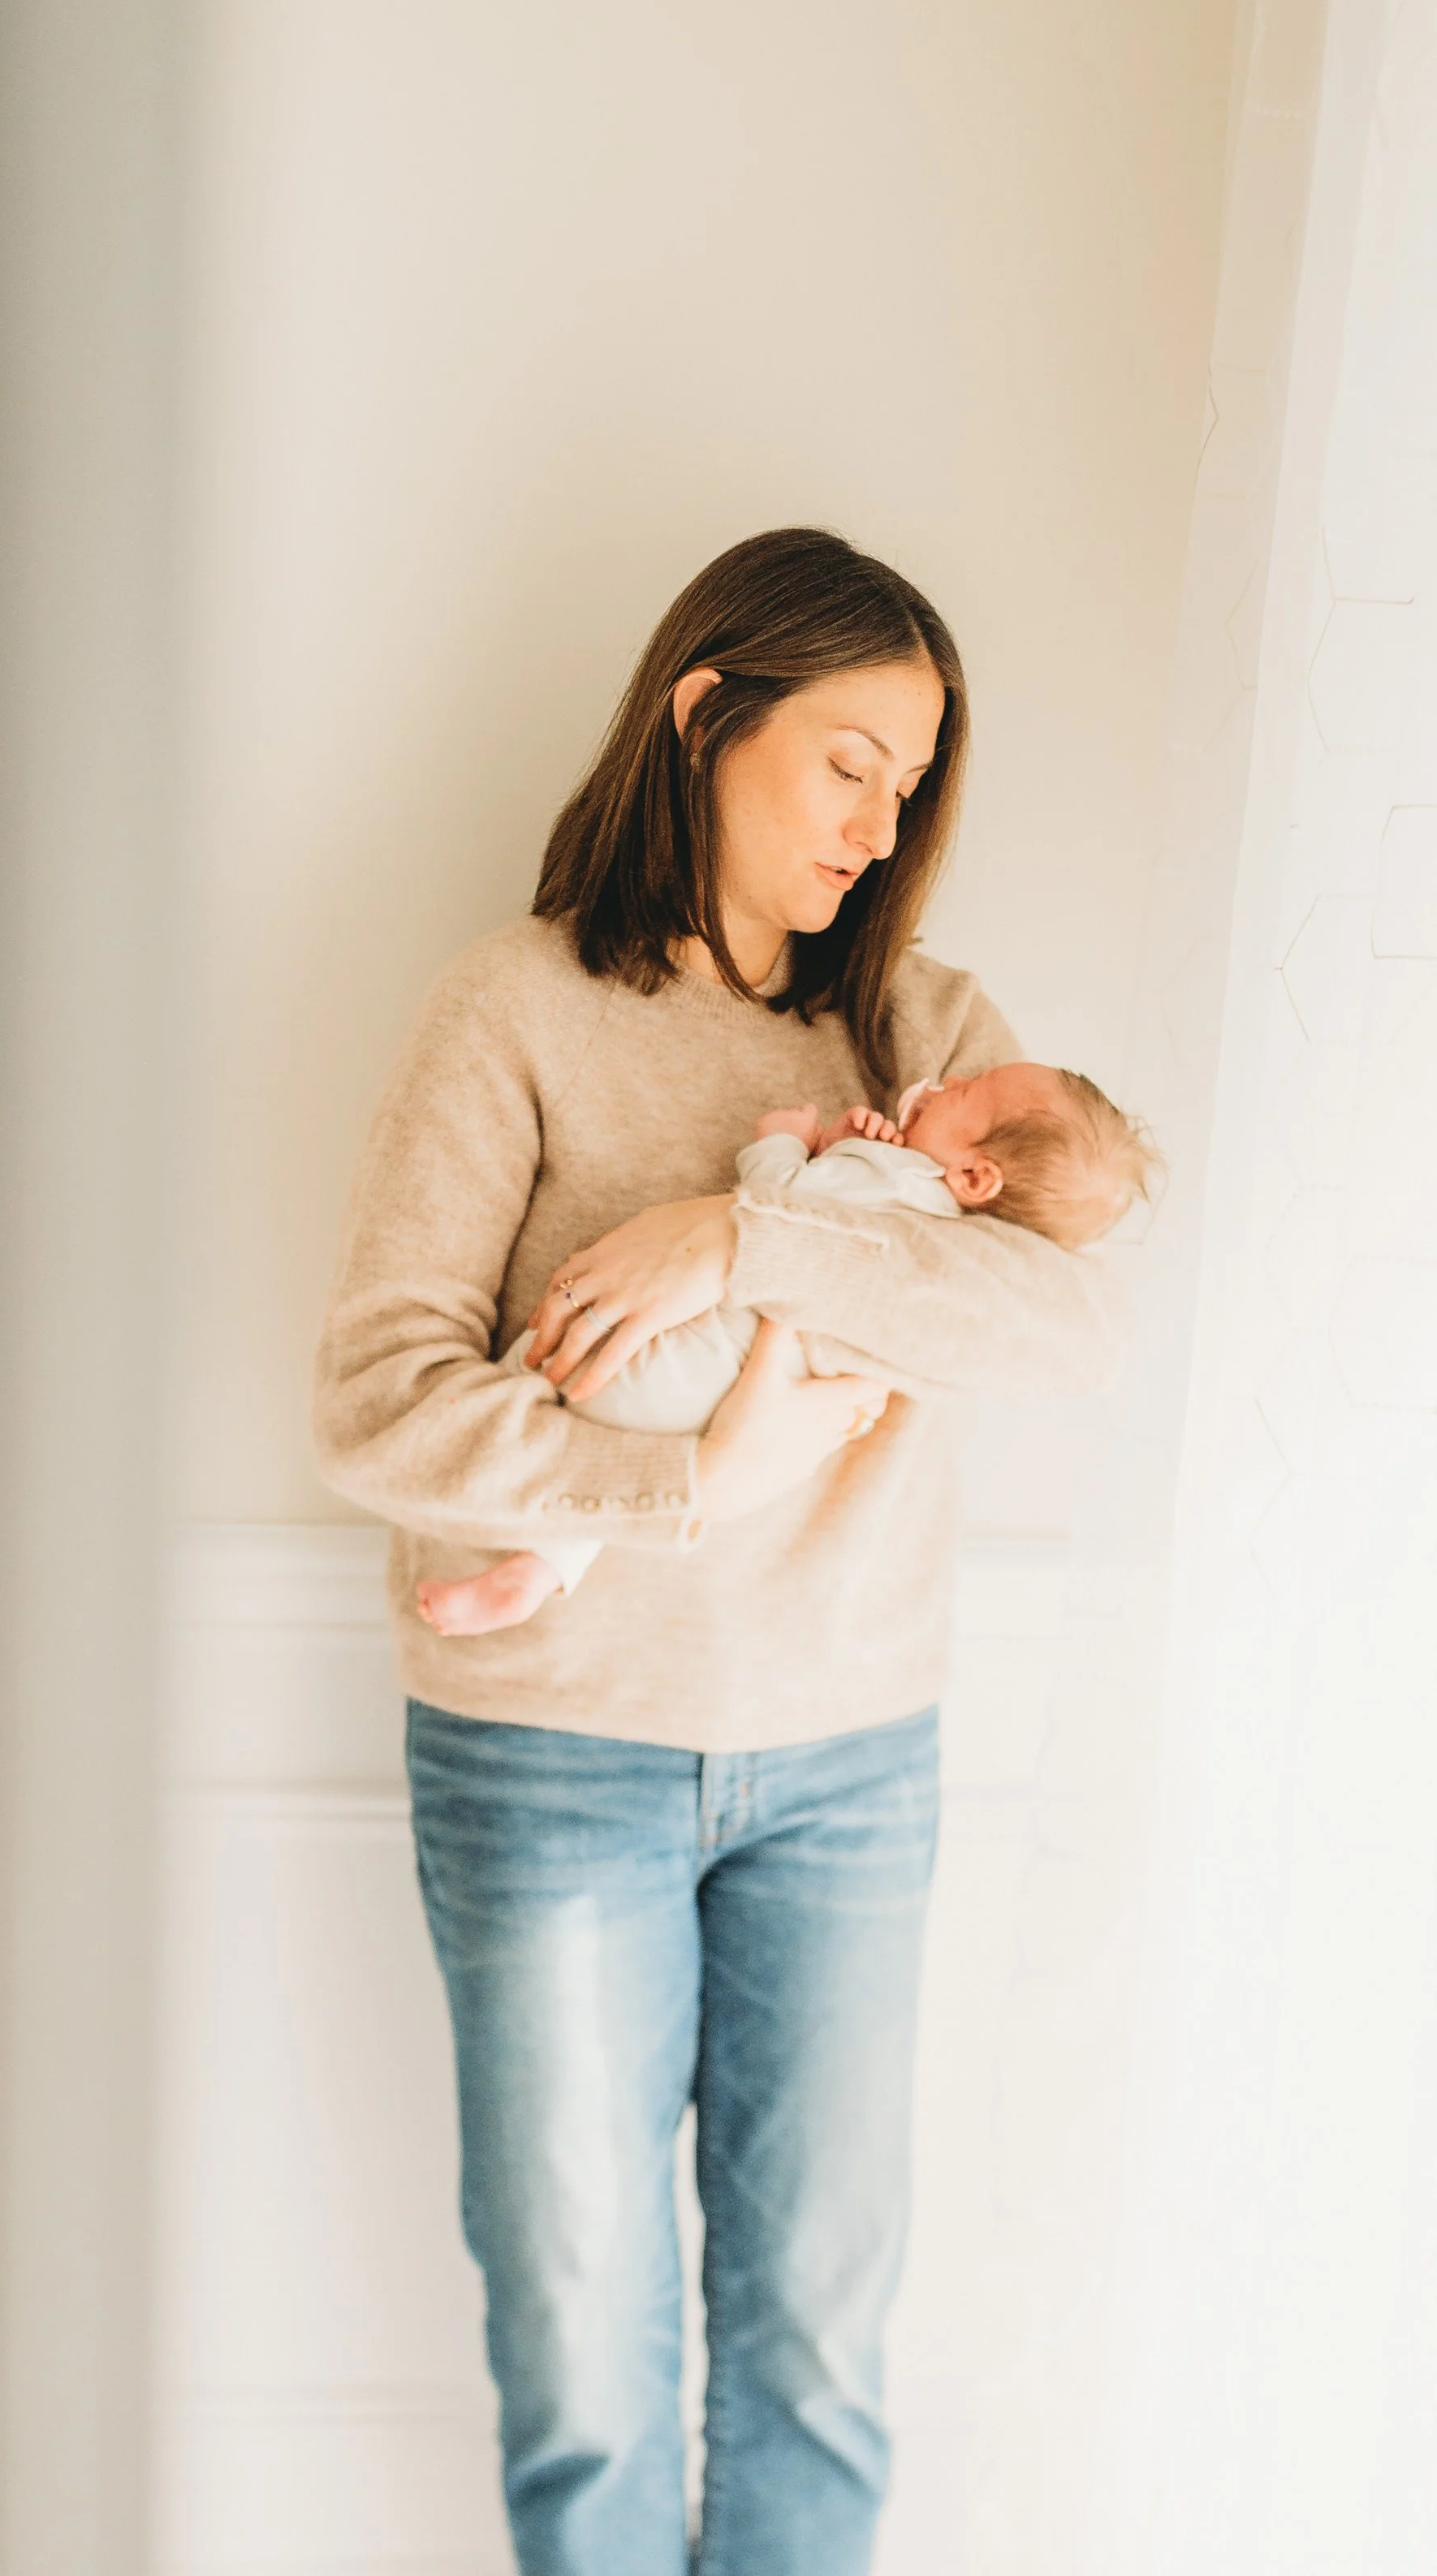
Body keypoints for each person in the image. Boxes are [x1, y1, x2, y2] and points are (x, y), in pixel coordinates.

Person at [312, 528, 1131, 2576]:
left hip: (849, 1757)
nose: (880, 825)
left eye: (908, 784)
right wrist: (684, 1487)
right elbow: (377, 1402)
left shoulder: (923, 1036)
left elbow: (1065, 1324)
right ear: (704, 715)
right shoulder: (510, 1008)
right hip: (548, 1758)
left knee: (814, 2355)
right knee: (587, 2366)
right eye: (848, 762)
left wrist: (739, 1237)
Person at [416, 1062, 1159, 1635]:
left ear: (974, 1175)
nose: (944, 1080)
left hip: (668, 1365)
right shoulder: (946, 1230)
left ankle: (527, 1547)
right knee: (607, 1455)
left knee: (539, 1368)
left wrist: (784, 1140)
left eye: (964, 1092)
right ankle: (539, 1568)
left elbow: (779, 1202)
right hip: (722, 1413)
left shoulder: (893, 1170)